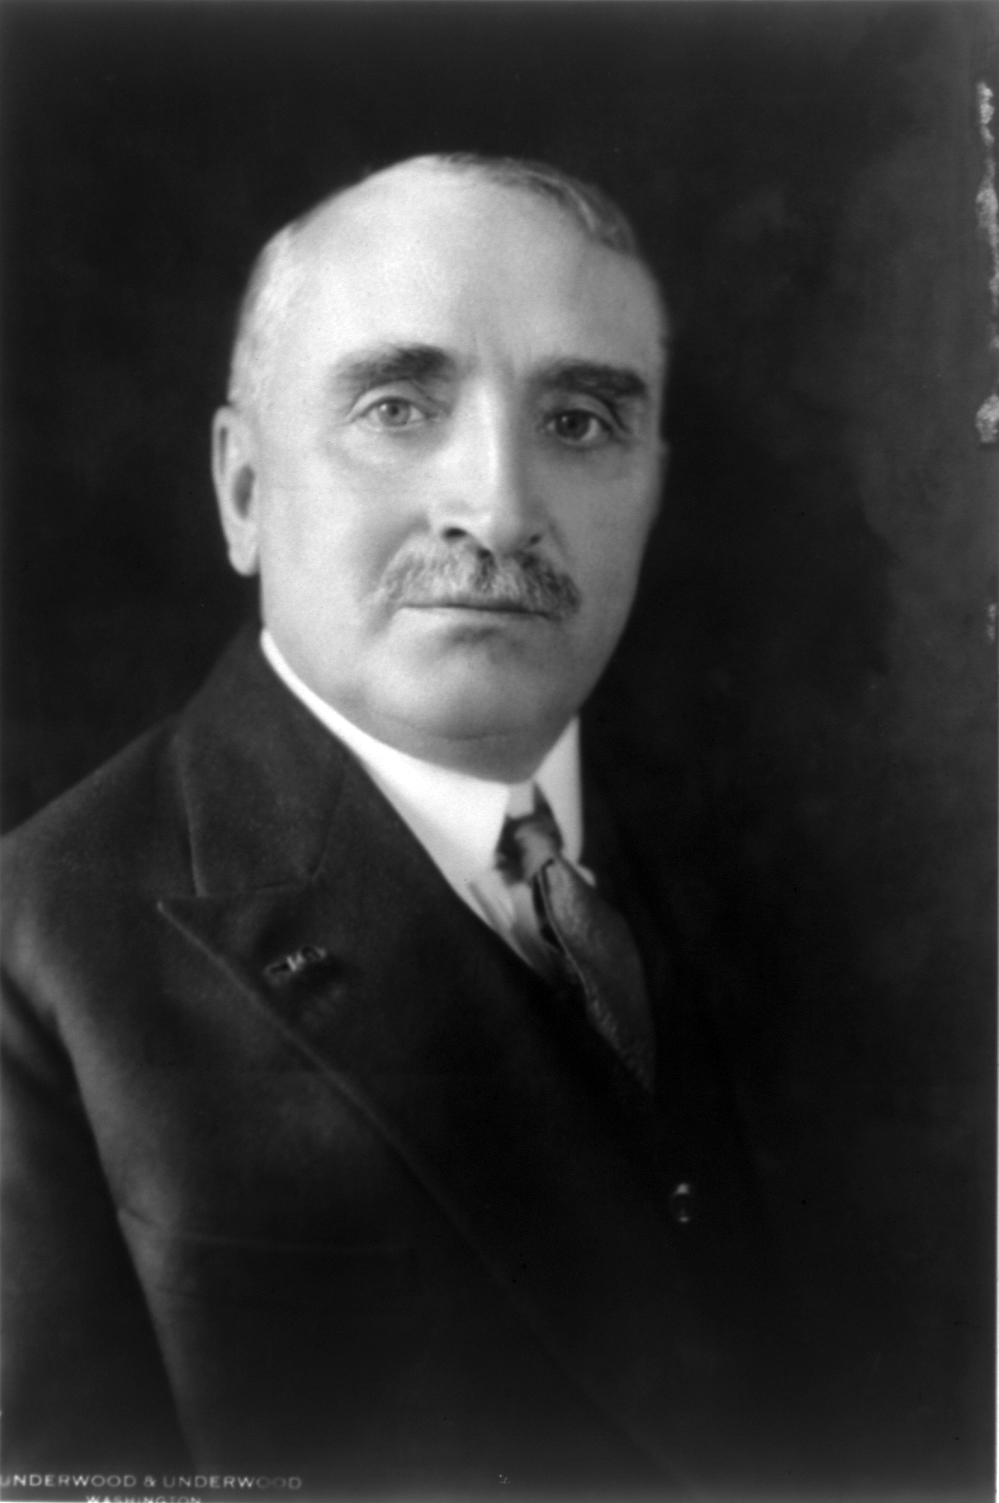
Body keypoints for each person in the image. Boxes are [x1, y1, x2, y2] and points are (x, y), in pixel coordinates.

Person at [1, 154, 788, 1497]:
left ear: (652, 485)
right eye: (397, 407)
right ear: (245, 490)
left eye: (581, 421)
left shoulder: (803, 874)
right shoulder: (34, 962)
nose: (500, 508)